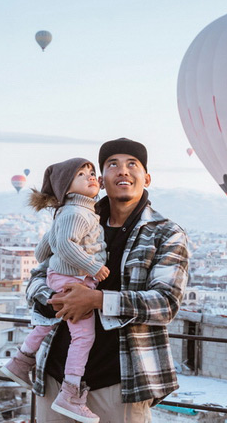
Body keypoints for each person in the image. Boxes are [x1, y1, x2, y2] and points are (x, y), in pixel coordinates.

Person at [25, 138, 190, 423]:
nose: (122, 171)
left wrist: (96, 300)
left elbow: (166, 303)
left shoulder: (166, 233)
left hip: (120, 383)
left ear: (146, 177)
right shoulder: (75, 218)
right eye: (113, 164)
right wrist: (57, 301)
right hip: (55, 377)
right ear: (101, 180)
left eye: (132, 164)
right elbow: (38, 277)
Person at [1, 158, 107, 423]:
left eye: (92, 173)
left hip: (59, 278)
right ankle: (70, 393)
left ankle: (21, 361)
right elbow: (67, 246)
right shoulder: (78, 213)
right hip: (75, 279)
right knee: (83, 337)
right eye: (82, 174)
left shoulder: (64, 212)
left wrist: (56, 253)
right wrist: (93, 266)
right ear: (66, 187)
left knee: (49, 320)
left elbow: (41, 252)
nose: (91, 177)